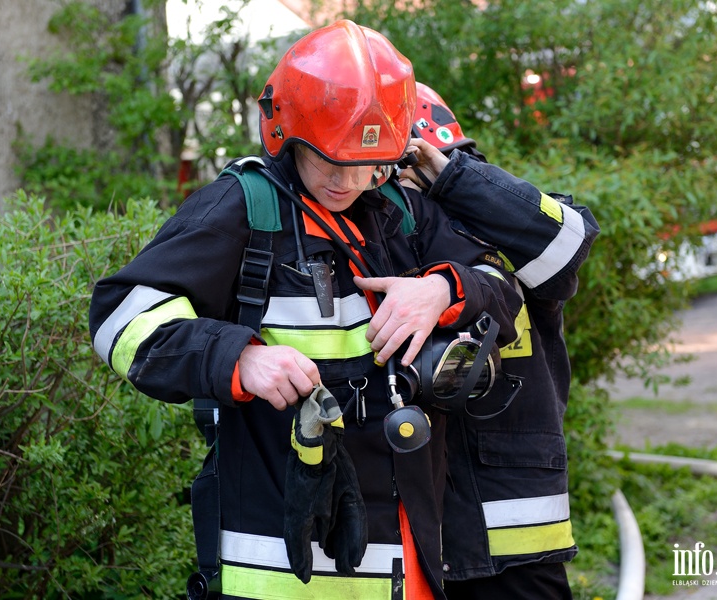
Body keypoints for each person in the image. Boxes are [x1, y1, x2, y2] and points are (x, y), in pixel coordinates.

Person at [88, 21, 523, 600]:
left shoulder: (399, 210)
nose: (347, 180)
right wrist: (239, 360)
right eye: (329, 160)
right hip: (276, 564)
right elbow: (120, 315)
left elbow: (502, 285)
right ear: (287, 133)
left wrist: (443, 290)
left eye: (365, 161)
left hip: (405, 560)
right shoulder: (244, 206)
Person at [399, 82, 600, 599]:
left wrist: (450, 177)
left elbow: (571, 242)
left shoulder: (506, 222)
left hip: (517, 525)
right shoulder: (380, 228)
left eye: (420, 163)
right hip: (422, 530)